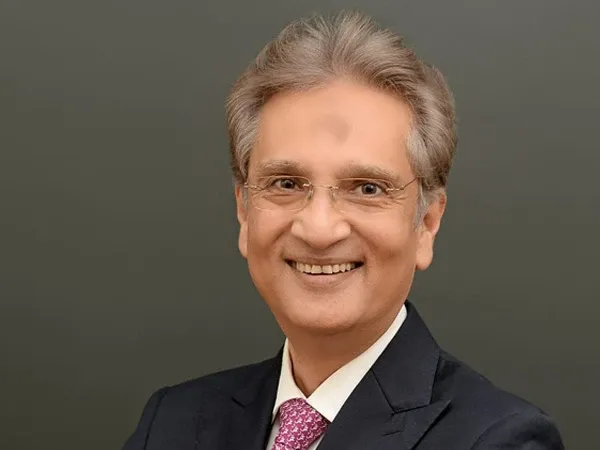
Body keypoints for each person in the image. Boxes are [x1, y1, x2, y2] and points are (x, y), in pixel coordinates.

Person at [123, 11, 564, 450]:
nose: (319, 229)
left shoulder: (501, 441)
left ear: (427, 224)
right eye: (287, 184)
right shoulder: (171, 423)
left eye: (368, 188)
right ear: (244, 212)